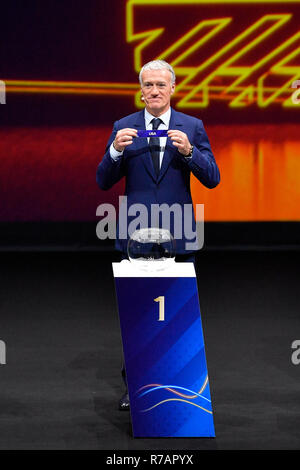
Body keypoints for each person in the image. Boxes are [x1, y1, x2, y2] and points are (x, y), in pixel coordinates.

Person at [96, 60, 220, 410]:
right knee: (139, 317)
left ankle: (180, 387)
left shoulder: (192, 127)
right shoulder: (124, 126)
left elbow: (213, 178)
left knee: (178, 316)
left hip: (178, 235)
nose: (154, 91)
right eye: (148, 85)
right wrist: (115, 151)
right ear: (140, 90)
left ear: (173, 89)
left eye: (160, 85)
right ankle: (135, 388)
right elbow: (103, 180)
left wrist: (190, 153)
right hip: (136, 237)